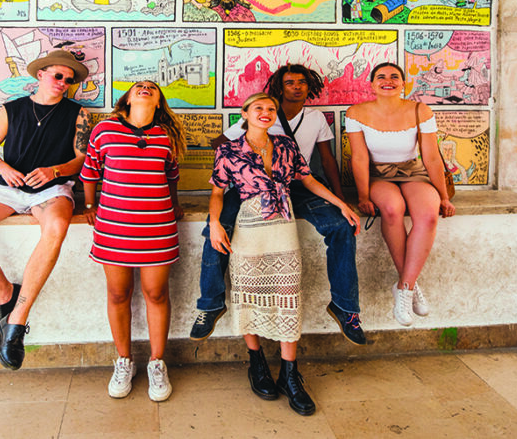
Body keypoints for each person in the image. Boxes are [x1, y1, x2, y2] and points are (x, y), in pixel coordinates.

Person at [192, 64, 366, 346]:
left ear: (310, 87)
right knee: (215, 229)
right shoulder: (259, 112)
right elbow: (220, 145)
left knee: (341, 225)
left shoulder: (315, 118)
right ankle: (210, 304)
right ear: (279, 87)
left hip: (294, 185)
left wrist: (340, 199)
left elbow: (326, 161)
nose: (296, 87)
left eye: (301, 82)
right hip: (250, 188)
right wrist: (242, 141)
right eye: (289, 83)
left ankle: (345, 307)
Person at [209, 93, 360, 416]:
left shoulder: (285, 146)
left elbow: (307, 180)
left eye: (270, 109)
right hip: (248, 227)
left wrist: (340, 203)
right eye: (259, 108)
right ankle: (257, 363)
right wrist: (214, 223)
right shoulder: (229, 149)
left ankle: (290, 375)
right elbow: (218, 191)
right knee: (247, 293)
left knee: (287, 295)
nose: (265, 113)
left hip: (283, 225)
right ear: (245, 114)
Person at [0, 49, 91, 370]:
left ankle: (17, 319)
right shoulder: (12, 109)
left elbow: (82, 159)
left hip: (51, 189)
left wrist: (56, 171)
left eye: (69, 79)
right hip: (9, 186)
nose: (63, 83)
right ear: (40, 75)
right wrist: (3, 167)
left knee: (56, 228)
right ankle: (4, 295)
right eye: (57, 75)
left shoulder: (79, 114)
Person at [81, 81, 185, 402]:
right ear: (126, 99)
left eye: (152, 88)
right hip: (114, 227)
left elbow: (171, 177)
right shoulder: (105, 130)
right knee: (117, 293)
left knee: (156, 293)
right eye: (139, 86)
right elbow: (90, 172)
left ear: (159, 102)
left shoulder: (166, 135)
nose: (144, 88)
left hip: (157, 226)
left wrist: (176, 203)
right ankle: (124, 361)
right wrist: (89, 206)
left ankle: (156, 362)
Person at [345, 62, 455, 327]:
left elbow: (430, 157)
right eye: (381, 77)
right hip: (376, 175)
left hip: (413, 172)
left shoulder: (420, 110)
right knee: (392, 209)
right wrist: (363, 196)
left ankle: (404, 287)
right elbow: (359, 158)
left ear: (403, 83)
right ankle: (410, 285)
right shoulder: (356, 112)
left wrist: (443, 196)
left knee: (428, 215)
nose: (388, 81)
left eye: (395, 77)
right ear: (371, 84)